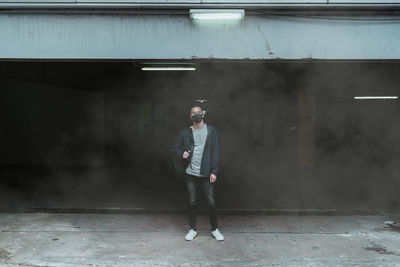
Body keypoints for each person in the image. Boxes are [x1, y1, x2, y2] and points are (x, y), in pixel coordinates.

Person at [173, 104, 224, 241]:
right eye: (193, 113)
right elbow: (176, 148)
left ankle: (215, 229)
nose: (196, 114)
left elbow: (216, 152)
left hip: (207, 173)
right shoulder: (185, 132)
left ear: (203, 114)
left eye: (198, 112)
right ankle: (192, 229)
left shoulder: (212, 131)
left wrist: (214, 171)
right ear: (190, 116)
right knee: (192, 202)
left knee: (211, 202)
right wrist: (181, 153)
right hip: (191, 173)